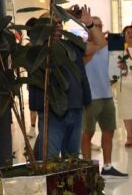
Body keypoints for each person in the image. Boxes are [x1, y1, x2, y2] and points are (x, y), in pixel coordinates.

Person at [29, 16, 91, 160]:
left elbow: (99, 43)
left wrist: (89, 24)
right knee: (50, 160)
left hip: (75, 109)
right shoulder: (38, 51)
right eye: (52, 23)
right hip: (51, 112)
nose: (58, 26)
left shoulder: (71, 46)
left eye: (60, 23)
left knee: (72, 159)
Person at [81, 14, 127, 178]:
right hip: (90, 97)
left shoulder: (109, 48)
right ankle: (87, 168)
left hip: (107, 95)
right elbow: (83, 62)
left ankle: (107, 166)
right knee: (87, 133)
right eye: (94, 25)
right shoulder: (84, 46)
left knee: (109, 131)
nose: (97, 28)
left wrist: (120, 67)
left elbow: (115, 74)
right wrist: (98, 44)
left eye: (99, 26)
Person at [118, 25, 132, 147]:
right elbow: (114, 70)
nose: (130, 34)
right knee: (127, 111)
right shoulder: (119, 52)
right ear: (124, 37)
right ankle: (129, 136)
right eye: (127, 33)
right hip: (125, 84)